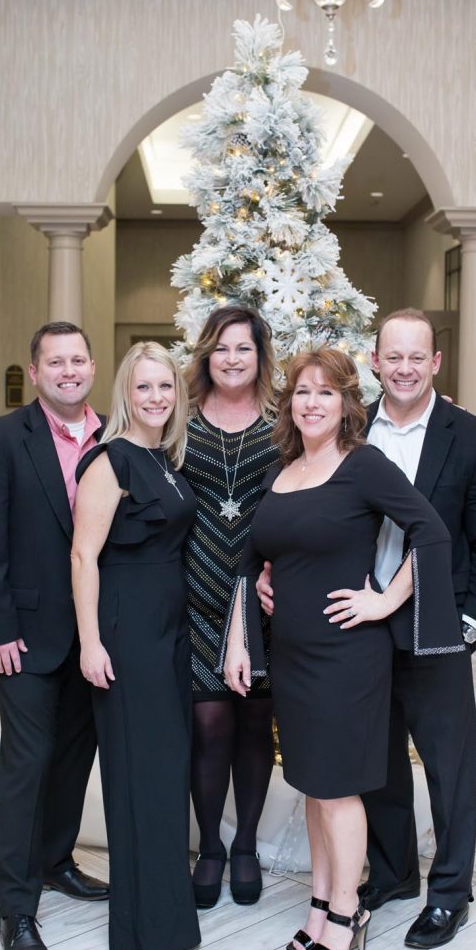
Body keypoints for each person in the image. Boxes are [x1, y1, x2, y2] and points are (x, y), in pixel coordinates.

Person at [258, 308, 476, 950]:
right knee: (376, 764)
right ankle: (394, 874)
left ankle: (448, 894)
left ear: (435, 363)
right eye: (392, 357)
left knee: (448, 766)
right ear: (375, 363)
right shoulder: (346, 427)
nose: (404, 368)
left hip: (431, 628)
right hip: (353, 633)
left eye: (416, 357)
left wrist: (466, 621)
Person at [224, 347, 463, 950]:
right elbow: (255, 554)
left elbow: (431, 531)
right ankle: (320, 904)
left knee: (337, 791)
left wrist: (384, 601)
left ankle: (348, 911)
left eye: (326, 392)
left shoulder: (363, 465)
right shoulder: (283, 470)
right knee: (310, 783)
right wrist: (258, 601)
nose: (312, 403)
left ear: (347, 403)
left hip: (347, 657)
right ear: (289, 403)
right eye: (302, 392)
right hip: (293, 656)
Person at [0, 321, 109, 950]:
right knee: (27, 764)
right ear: (37, 370)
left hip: (94, 636)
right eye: (55, 361)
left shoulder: (115, 436)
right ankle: (16, 908)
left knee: (75, 757)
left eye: (77, 360)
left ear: (92, 367)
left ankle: (55, 861)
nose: (68, 370)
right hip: (25, 635)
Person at [70, 342, 201, 950]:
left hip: (168, 629)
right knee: (142, 770)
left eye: (165, 386)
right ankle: (146, 925)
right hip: (126, 633)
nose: (155, 397)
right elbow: (83, 556)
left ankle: (162, 909)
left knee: (165, 768)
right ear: (125, 391)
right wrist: (91, 643)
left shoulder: (164, 458)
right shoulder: (110, 461)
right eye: (144, 386)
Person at [181, 305, 279, 909]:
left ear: (260, 356)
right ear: (206, 355)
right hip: (194, 593)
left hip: (263, 594)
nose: (232, 358)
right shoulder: (180, 422)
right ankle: (211, 847)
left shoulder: (284, 424)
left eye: (244, 347)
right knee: (209, 724)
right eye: (221, 347)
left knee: (253, 722)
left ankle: (245, 844)